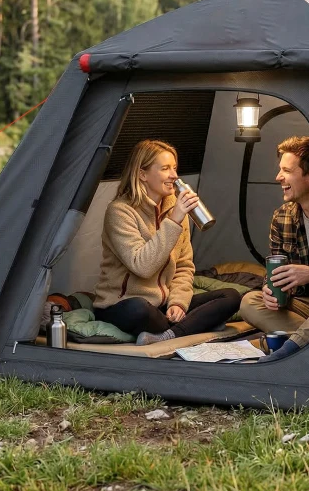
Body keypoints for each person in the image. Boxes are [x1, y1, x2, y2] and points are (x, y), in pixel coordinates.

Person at [93, 139, 241, 345]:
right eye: (165, 168)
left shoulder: (175, 209)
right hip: (123, 305)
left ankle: (168, 334)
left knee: (231, 296)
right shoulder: (120, 211)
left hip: (162, 306)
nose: (174, 175)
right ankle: (193, 325)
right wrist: (174, 220)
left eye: (174, 168)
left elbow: (183, 266)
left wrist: (179, 303)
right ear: (142, 174)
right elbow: (142, 266)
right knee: (140, 309)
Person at [239, 136, 309, 361]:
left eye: (287, 171)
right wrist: (269, 289)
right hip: (303, 306)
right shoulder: (282, 217)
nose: (278, 177)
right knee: (249, 302)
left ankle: (290, 348)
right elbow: (275, 268)